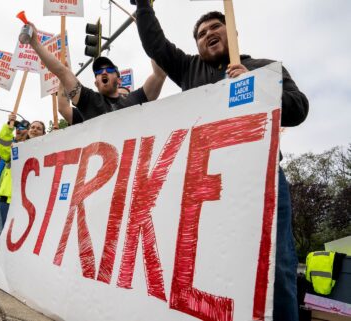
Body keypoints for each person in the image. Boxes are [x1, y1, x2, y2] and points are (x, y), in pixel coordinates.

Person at [132, 3, 309, 319]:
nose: (208, 34)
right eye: (201, 34)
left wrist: (258, 87)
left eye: (215, 27)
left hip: (261, 181)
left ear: (233, 33)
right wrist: (143, 4)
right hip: (206, 188)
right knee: (208, 266)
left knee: (275, 265)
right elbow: (154, 44)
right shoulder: (190, 70)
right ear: (197, 48)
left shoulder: (266, 68)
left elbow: (298, 109)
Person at [26, 22, 167, 123]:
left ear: (119, 80)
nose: (104, 72)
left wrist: (145, 26)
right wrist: (35, 43)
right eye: (99, 72)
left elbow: (160, 73)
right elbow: (61, 72)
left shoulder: (136, 98)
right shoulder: (89, 101)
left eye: (110, 70)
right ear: (96, 82)